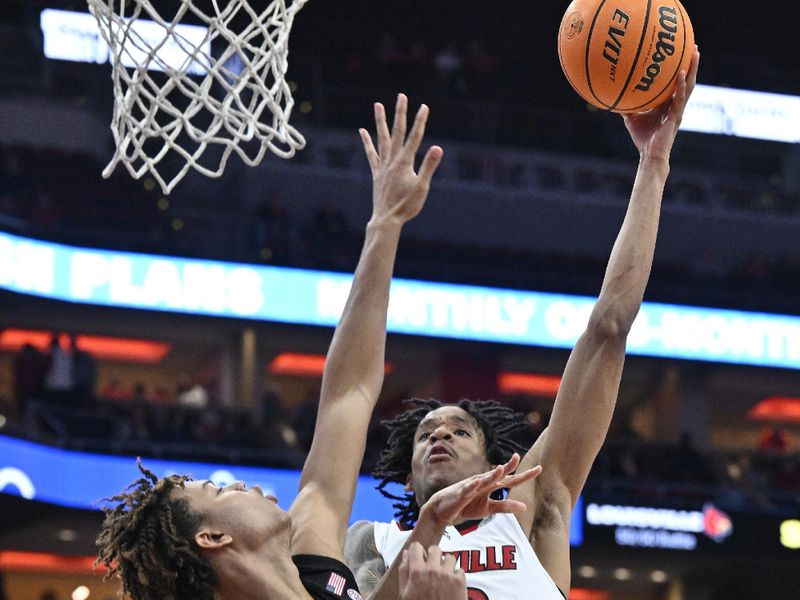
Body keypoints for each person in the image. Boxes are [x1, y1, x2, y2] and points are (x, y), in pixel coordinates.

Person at [95, 94, 489, 600]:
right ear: (213, 537)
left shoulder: (313, 562)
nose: (242, 485)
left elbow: (349, 392)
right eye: (220, 490)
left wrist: (384, 226)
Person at [345, 50, 701, 600]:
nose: (439, 433)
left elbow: (608, 326)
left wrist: (654, 164)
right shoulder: (373, 541)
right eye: (425, 434)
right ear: (408, 476)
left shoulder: (534, 508)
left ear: (494, 463)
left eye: (459, 430)